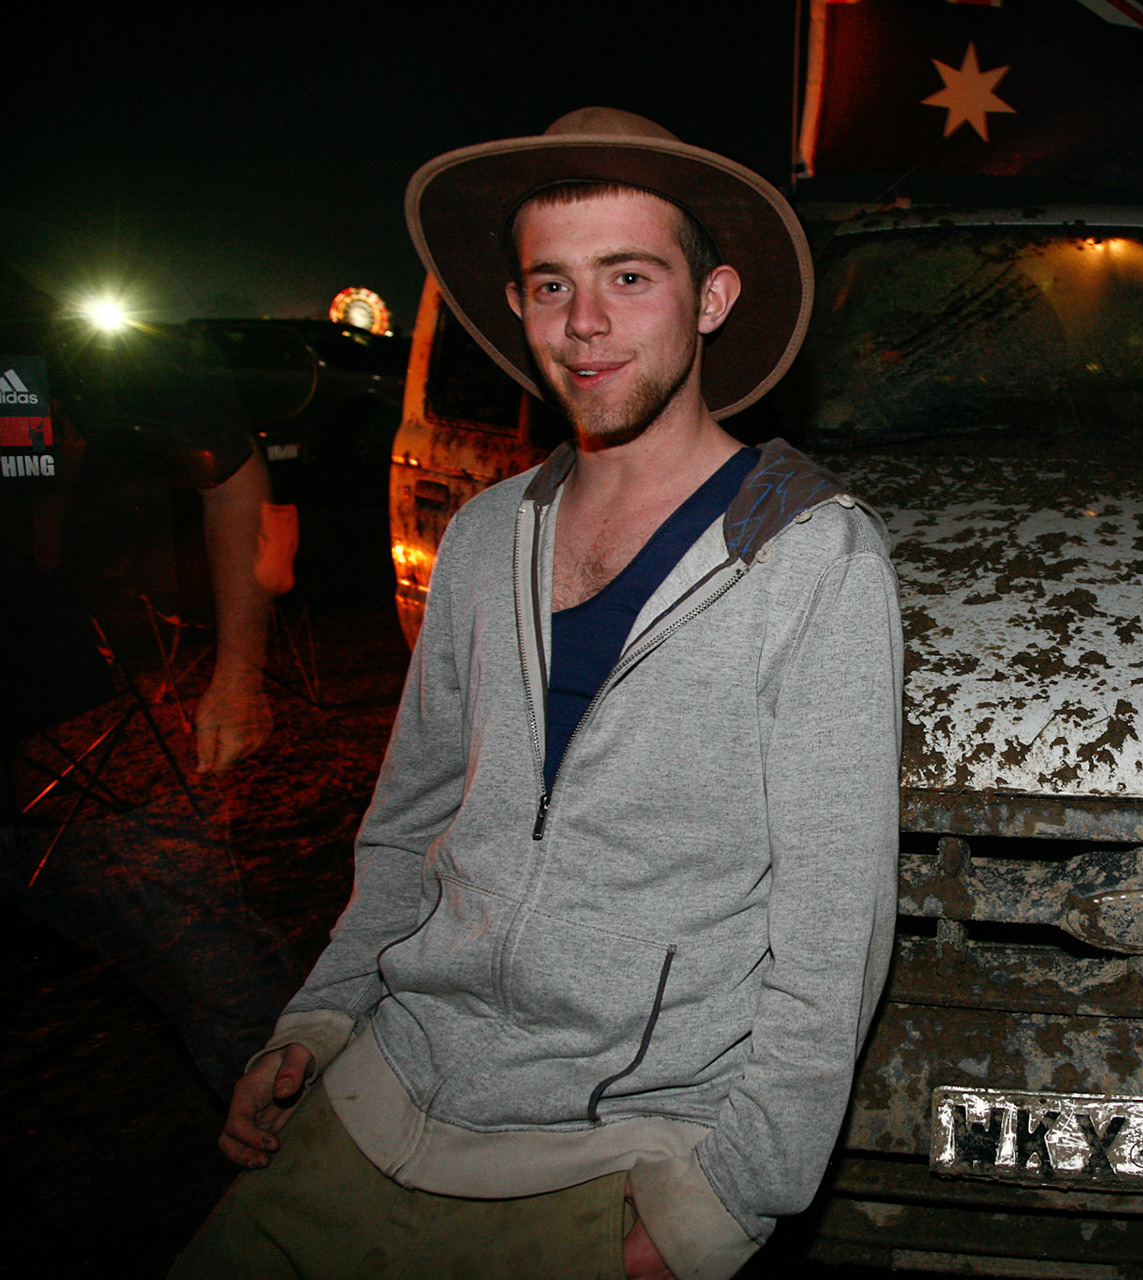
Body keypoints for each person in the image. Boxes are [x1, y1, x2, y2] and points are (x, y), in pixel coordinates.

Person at [174, 109, 903, 1279]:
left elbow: (833, 933)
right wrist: (316, 1018)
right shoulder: (478, 537)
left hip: (609, 1152)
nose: (588, 325)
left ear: (711, 299)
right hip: (376, 1092)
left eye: (629, 275)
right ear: (517, 308)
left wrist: (725, 1202)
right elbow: (410, 826)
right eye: (551, 284)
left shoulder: (812, 558)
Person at [3, 265, 291, 1092]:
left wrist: (240, 672)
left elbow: (234, 477)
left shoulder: (48, 331)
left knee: (225, 984)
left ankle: (313, 1167)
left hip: (90, 732)